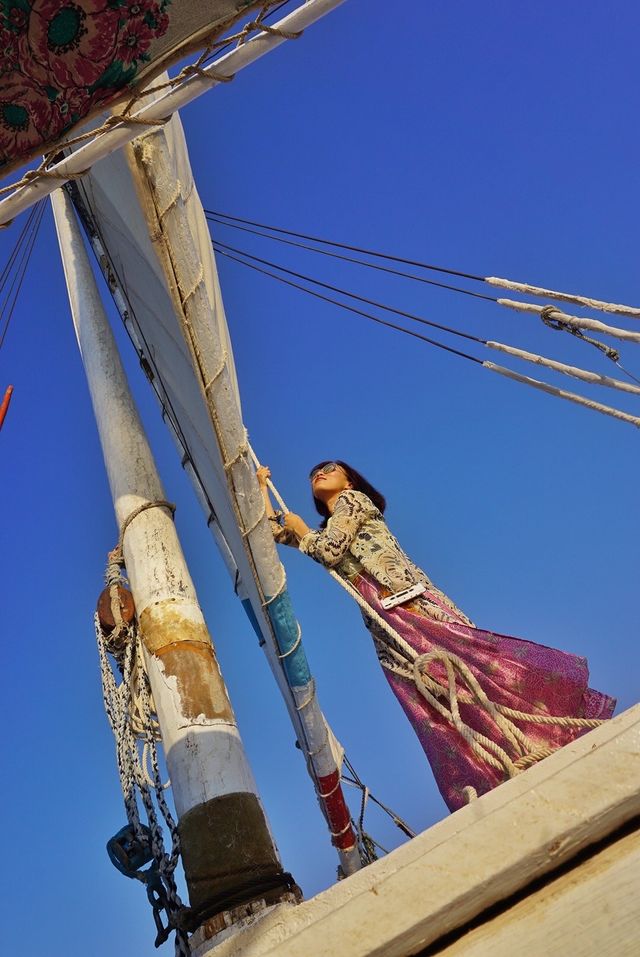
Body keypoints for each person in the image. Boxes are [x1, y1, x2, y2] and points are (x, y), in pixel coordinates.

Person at [257, 460, 616, 811]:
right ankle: (506, 759)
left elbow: (328, 550)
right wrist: (260, 488)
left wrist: (302, 529)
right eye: (313, 474)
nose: (319, 473)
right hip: (387, 617)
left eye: (330, 469)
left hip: (407, 603)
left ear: (349, 482)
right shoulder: (329, 525)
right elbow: (272, 531)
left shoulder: (354, 503)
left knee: (468, 672)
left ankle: (535, 734)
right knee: (438, 693)